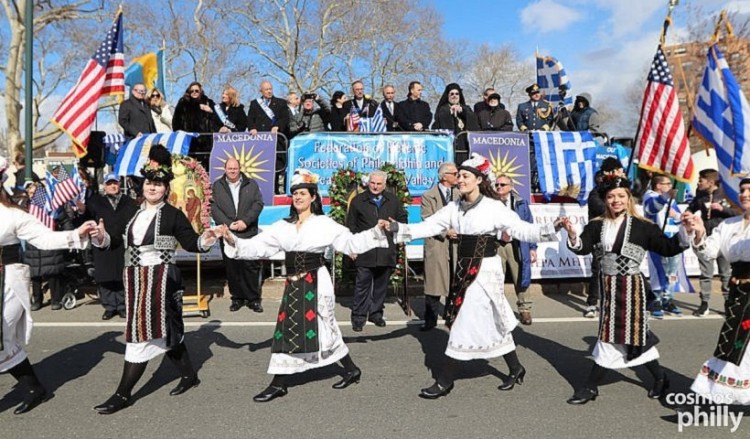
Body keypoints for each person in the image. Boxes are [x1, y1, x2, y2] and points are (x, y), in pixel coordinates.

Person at [387, 153, 561, 399]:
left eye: (465, 176)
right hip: (463, 269)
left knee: (461, 321)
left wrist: (551, 229)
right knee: (491, 322)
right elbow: (429, 226)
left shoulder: (493, 207)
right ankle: (516, 367)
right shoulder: (454, 207)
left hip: (486, 272)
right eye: (458, 176)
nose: (460, 180)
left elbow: (522, 229)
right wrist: (399, 229)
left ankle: (445, 380)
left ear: (479, 179)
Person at [220, 169, 390, 402]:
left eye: (303, 193)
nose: (298, 197)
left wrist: (376, 231)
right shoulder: (283, 226)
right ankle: (290, 380)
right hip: (294, 283)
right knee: (287, 328)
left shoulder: (324, 224)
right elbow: (256, 247)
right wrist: (232, 239)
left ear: (313, 197)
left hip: (317, 282)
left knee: (325, 327)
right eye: (295, 194)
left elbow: (351, 242)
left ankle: (298, 379)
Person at [92, 146, 220, 415]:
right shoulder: (130, 211)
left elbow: (192, 242)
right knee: (167, 330)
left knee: (139, 336)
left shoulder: (172, 214)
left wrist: (208, 237)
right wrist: (101, 236)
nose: (153, 187)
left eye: (158, 184)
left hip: (161, 279)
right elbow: (114, 241)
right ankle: (189, 376)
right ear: (143, 186)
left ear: (165, 188)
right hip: (135, 279)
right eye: (149, 183)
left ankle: (122, 394)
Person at [560, 174, 688, 405]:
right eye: (611, 196)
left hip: (632, 288)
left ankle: (590, 387)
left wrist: (685, 231)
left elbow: (668, 248)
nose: (616, 200)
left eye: (621, 196)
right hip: (608, 287)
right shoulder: (596, 224)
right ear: (605, 200)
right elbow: (582, 248)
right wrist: (571, 234)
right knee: (632, 337)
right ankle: (660, 377)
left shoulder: (643, 226)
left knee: (614, 336)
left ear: (628, 198)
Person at [0, 156, 97, 414]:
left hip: (6, 282)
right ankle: (34, 388)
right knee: (4, 342)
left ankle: (35, 389)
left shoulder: (12, 216)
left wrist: (76, 235)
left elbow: (44, 238)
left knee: (1, 335)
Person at [682, 178, 750, 404]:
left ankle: (715, 395)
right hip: (736, 291)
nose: (745, 194)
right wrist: (699, 232)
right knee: (737, 341)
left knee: (737, 341)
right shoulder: (729, 225)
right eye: (742, 190)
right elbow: (708, 252)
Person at [346, 170, 408, 331]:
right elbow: (351, 226)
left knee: (381, 285)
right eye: (373, 183)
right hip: (365, 250)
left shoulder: (393, 200)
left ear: (384, 185)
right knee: (362, 285)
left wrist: (395, 225)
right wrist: (353, 247)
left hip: (386, 250)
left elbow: (403, 220)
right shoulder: (358, 201)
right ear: (368, 182)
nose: (375, 186)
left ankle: (376, 313)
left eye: (379, 184)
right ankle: (359, 317)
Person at [210, 157, 264, 313]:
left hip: (248, 231)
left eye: (235, 168)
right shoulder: (218, 186)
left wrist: (245, 222)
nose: (232, 171)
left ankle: (253, 299)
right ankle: (237, 298)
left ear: (239, 169)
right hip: (228, 232)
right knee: (232, 267)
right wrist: (227, 223)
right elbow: (214, 208)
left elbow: (258, 204)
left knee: (250, 266)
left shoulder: (251, 184)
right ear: (225, 169)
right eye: (229, 168)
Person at [83, 173, 139, 320]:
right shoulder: (95, 202)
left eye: (115, 183)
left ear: (119, 184)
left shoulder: (129, 202)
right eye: (109, 183)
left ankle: (122, 306)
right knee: (105, 276)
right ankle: (109, 307)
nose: (113, 186)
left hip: (122, 244)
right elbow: (86, 219)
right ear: (105, 186)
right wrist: (82, 210)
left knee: (122, 275)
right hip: (103, 244)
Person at [687, 168, 736, 317]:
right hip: (706, 238)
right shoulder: (700, 194)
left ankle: (729, 303)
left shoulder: (727, 193)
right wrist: (687, 213)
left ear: (711, 182)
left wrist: (722, 209)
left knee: (725, 273)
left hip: (724, 238)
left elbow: (738, 212)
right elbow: (692, 206)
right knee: (705, 273)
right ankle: (704, 303)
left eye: (701, 180)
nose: (698, 183)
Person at [420, 162, 459, 331]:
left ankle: (453, 315)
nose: (458, 177)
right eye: (455, 174)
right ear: (444, 177)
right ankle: (430, 320)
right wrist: (445, 232)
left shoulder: (460, 194)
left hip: (457, 244)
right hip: (437, 243)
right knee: (434, 284)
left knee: (455, 281)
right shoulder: (429, 196)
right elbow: (427, 218)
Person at [643, 174, 688, 318]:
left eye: (670, 183)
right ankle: (655, 299)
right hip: (657, 239)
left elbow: (678, 217)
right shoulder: (650, 196)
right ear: (658, 185)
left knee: (672, 271)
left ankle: (667, 298)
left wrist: (678, 216)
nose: (670, 186)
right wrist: (666, 197)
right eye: (666, 183)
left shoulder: (671, 200)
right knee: (658, 269)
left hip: (672, 239)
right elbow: (652, 208)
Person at [495, 174, 536, 325]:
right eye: (497, 185)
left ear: (511, 187)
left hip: (515, 244)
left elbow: (529, 226)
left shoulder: (520, 203)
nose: (499, 187)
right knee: (496, 278)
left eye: (502, 185)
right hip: (497, 244)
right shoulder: (490, 204)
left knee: (521, 276)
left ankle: (525, 309)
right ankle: (498, 310)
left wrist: (532, 247)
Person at [247, 80, 291, 193]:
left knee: (275, 167)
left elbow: (285, 118)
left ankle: (275, 190)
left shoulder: (281, 103)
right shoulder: (255, 103)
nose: (269, 91)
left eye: (270, 89)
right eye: (266, 89)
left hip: (275, 140)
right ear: (261, 91)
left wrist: (277, 126)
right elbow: (250, 118)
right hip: (260, 141)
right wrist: (252, 128)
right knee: (260, 167)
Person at [172, 82, 220, 160]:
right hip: (188, 141)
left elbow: (217, 120)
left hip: (205, 141)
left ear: (200, 91)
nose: (194, 92)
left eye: (196, 90)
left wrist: (210, 111)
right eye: (192, 91)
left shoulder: (208, 102)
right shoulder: (183, 102)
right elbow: (176, 121)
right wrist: (179, 134)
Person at [432, 83, 479, 163]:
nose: (454, 96)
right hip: (450, 145)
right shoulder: (443, 109)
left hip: (464, 144)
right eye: (452, 94)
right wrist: (449, 113)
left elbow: (474, 122)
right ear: (448, 96)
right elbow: (438, 123)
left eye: (457, 94)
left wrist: (463, 112)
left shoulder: (466, 108)